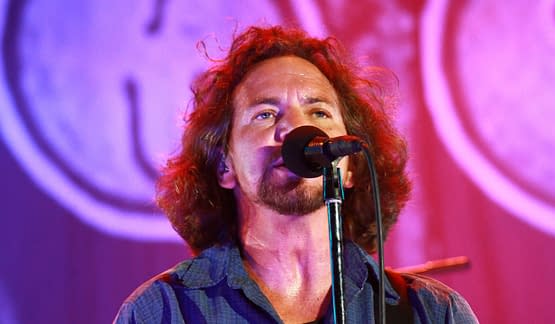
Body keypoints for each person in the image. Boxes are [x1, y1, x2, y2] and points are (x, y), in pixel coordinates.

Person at [114, 25, 478, 323]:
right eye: (266, 114)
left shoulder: (430, 313)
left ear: (349, 165)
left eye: (319, 112)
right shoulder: (164, 312)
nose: (297, 128)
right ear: (225, 166)